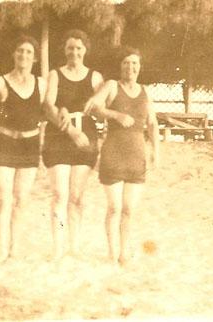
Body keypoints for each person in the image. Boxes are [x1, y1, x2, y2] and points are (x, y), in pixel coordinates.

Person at [43, 29, 133, 260]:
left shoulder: (95, 77)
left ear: (85, 51)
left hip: (87, 139)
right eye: (70, 48)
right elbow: (47, 107)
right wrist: (70, 129)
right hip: (60, 136)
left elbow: (101, 111)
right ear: (64, 50)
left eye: (79, 48)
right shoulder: (55, 75)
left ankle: (74, 246)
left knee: (76, 196)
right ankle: (57, 248)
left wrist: (107, 114)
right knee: (60, 195)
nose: (74, 52)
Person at [84, 47, 159, 266]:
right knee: (114, 207)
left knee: (128, 209)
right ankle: (111, 252)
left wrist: (156, 152)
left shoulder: (146, 91)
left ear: (139, 67)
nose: (130, 67)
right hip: (113, 152)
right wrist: (115, 114)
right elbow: (92, 106)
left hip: (137, 155)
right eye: (126, 63)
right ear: (120, 66)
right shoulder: (111, 86)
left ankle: (124, 252)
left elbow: (152, 124)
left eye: (134, 63)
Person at [0, 35, 47, 263]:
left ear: (35, 58)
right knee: (4, 199)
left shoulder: (42, 84)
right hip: (4, 144)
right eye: (20, 50)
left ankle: (15, 247)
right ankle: (2, 249)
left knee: (22, 199)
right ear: (14, 54)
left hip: (29, 147)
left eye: (29, 52)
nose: (24, 55)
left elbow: (48, 114)